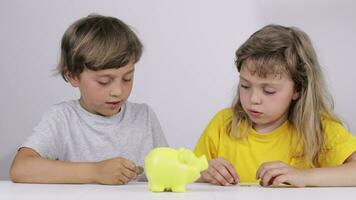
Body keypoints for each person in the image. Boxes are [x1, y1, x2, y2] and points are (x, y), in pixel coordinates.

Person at [10, 14, 168, 185]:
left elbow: (168, 170)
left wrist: (196, 174)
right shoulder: (62, 118)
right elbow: (21, 168)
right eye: (104, 81)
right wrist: (95, 172)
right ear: (72, 76)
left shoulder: (144, 116)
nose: (118, 91)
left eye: (127, 78)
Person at [194, 24, 356, 187]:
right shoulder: (223, 124)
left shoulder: (320, 130)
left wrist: (304, 176)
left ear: (298, 89)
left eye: (269, 91)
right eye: (245, 86)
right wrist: (203, 172)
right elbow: (187, 174)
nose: (254, 99)